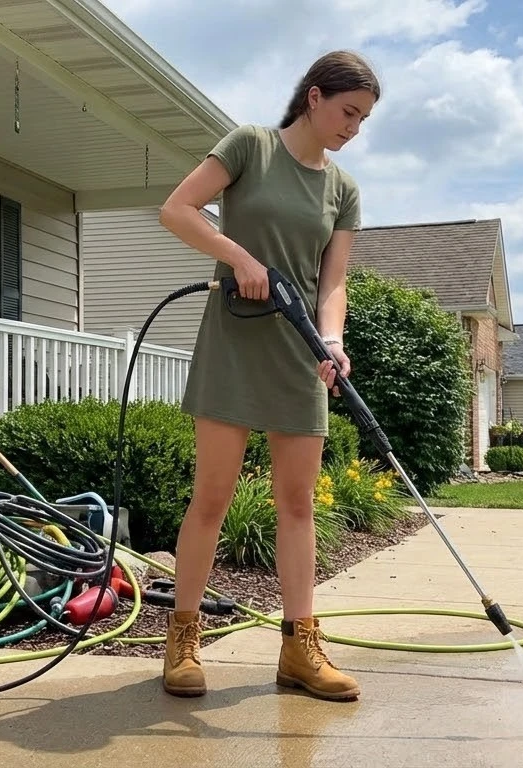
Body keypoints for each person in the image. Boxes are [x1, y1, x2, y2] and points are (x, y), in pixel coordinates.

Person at [155, 50, 381, 702]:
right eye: (347, 112)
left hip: (298, 352)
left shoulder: (343, 189)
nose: (353, 128)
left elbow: (332, 282)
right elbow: (178, 210)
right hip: (233, 342)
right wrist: (236, 257)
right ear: (314, 98)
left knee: (297, 503)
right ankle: (183, 638)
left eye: (363, 119)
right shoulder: (251, 146)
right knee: (214, 496)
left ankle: (299, 648)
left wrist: (332, 340)